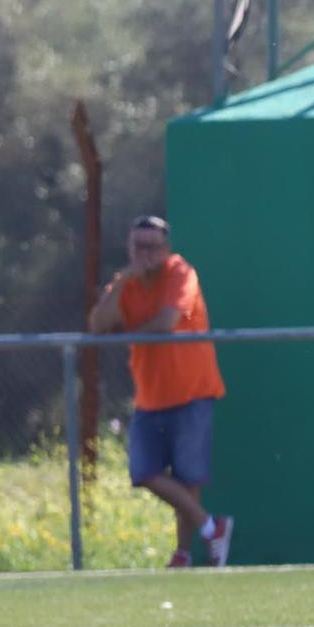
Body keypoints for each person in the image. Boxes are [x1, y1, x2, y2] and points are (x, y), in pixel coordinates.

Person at [87, 214, 232, 568]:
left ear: (166, 248)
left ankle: (183, 553)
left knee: (188, 477)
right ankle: (213, 528)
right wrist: (120, 286)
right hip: (150, 397)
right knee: (143, 472)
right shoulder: (127, 283)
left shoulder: (181, 273)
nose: (145, 254)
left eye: (152, 247)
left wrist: (131, 334)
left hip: (192, 391)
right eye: (139, 246)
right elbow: (96, 325)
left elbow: (168, 322)